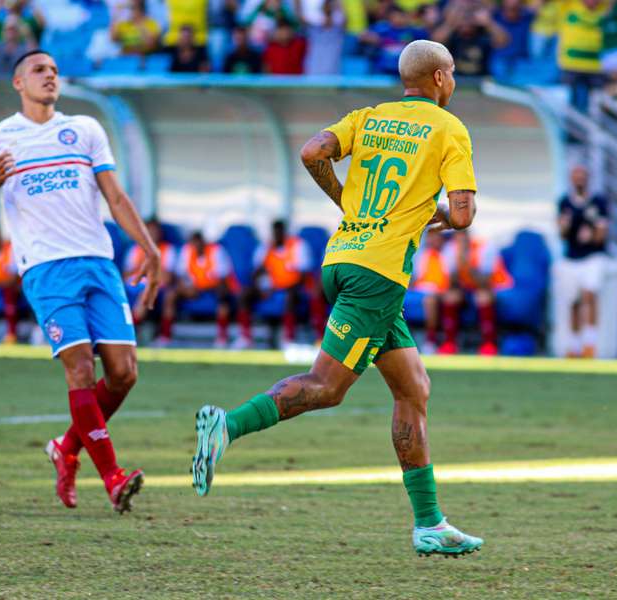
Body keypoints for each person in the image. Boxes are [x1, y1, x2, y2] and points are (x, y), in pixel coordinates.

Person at [192, 40, 483, 557]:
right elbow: (462, 215)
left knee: (413, 388)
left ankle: (430, 524)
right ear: (440, 78)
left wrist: (347, 200)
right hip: (379, 274)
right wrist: (428, 214)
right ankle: (226, 426)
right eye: (454, 73)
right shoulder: (449, 128)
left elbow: (312, 151)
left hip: (343, 256)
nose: (454, 81)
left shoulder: (368, 118)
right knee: (327, 388)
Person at [0, 50, 161, 513]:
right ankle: (113, 476)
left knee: (124, 373)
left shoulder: (85, 129)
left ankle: (66, 448)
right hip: (46, 269)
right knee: (80, 370)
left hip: (98, 263)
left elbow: (114, 196)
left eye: (54, 70)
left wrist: (150, 249)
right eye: (39, 70)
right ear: (18, 82)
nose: (50, 76)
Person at [557, 165, 608, 358]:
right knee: (573, 301)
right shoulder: (565, 202)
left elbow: (602, 233)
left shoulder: (598, 201)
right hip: (572, 258)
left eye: (582, 175)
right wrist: (565, 226)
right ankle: (574, 345)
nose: (579, 179)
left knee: (590, 295)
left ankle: (590, 343)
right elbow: (561, 234)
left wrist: (592, 235)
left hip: (592, 257)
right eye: (575, 175)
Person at [239, 219, 312, 347]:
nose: (277, 235)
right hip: (271, 288)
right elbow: (256, 272)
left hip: (293, 288)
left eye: (280, 232)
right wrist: (261, 288)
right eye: (275, 233)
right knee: (245, 295)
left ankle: (289, 339)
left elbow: (303, 276)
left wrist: (280, 288)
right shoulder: (266, 248)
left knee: (290, 296)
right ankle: (246, 338)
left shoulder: (298, 245)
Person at [440, 229, 513, 355]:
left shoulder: (485, 247)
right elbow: (452, 283)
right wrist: (458, 264)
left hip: (494, 286)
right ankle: (449, 343)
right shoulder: (450, 248)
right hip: (466, 288)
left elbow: (484, 283)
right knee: (450, 297)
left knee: (482, 297)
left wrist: (466, 264)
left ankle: (489, 343)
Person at [175, 231, 238, 347]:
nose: (196, 246)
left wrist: (200, 287)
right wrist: (186, 288)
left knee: (222, 295)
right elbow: (180, 276)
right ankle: (164, 336)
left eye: (199, 243)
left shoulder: (216, 251)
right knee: (171, 295)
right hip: (194, 288)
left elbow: (222, 279)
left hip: (214, 288)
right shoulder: (187, 251)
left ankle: (222, 337)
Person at [124, 218, 177, 345]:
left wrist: (147, 270)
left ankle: (130, 333)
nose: (152, 233)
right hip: (134, 285)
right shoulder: (135, 249)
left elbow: (168, 277)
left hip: (155, 286)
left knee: (146, 292)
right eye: (149, 230)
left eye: (155, 230)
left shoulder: (167, 250)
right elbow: (126, 274)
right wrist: (143, 268)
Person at [555, 0, 612, 113]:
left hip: (595, 66)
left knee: (596, 106)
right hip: (570, 65)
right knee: (568, 104)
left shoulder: (603, 8)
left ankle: (595, 128)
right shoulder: (568, 6)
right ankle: (567, 129)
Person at [431, 2, 510, 77]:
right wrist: (451, 23)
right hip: (455, 80)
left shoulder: (483, 34)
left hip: (481, 80)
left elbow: (503, 41)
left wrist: (488, 23)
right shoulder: (451, 34)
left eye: (470, 17)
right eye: (464, 17)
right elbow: (435, 42)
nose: (467, 22)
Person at [410, 229, 451, 354]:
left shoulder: (448, 255)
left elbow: (449, 280)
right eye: (431, 237)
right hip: (421, 290)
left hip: (440, 291)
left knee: (430, 300)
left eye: (437, 237)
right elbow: (414, 279)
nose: (433, 241)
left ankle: (430, 340)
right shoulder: (420, 255)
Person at [361, 6, 427, 75]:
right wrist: (376, 39)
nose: (397, 19)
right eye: (395, 16)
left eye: (400, 16)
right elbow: (363, 36)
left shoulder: (412, 31)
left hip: (403, 64)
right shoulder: (382, 28)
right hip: (383, 63)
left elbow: (425, 41)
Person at [300, 0, 345, 76]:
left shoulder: (338, 28)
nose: (327, 8)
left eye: (330, 7)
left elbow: (344, 20)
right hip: (314, 73)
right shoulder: (313, 27)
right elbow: (301, 19)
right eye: (325, 7)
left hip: (333, 74)